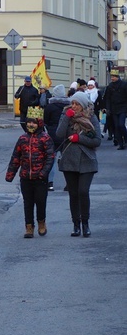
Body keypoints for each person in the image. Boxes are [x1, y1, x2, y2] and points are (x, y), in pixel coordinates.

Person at [56, 91, 101, 237]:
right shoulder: (66, 116)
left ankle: (85, 223)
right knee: (73, 194)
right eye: (72, 103)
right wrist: (66, 118)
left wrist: (78, 139)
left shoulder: (91, 117)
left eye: (77, 104)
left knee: (83, 191)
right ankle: (76, 225)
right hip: (69, 160)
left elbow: (97, 140)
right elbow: (58, 134)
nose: (74, 106)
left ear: (82, 105)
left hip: (87, 160)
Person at [5, 107, 55, 238]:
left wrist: (44, 172)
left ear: (39, 123)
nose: (31, 125)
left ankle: (41, 222)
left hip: (40, 177)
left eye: (33, 122)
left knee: (40, 201)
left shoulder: (45, 138)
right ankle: (29, 226)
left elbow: (50, 157)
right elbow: (16, 157)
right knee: (27, 202)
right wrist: (10, 174)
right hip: (26, 176)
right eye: (29, 122)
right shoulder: (22, 138)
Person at [44, 84, 70, 191]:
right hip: (66, 136)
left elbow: (45, 121)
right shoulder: (69, 107)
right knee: (67, 160)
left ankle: (50, 183)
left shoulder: (49, 106)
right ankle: (69, 183)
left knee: (51, 160)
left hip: (52, 135)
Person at [102, 68, 127, 150]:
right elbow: (107, 99)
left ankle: (126, 139)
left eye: (113, 77)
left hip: (123, 108)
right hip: (114, 109)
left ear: (117, 77)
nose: (112, 78)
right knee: (116, 126)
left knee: (121, 125)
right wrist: (107, 109)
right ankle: (121, 144)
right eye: (111, 77)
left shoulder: (124, 84)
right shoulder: (109, 86)